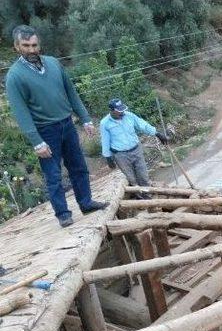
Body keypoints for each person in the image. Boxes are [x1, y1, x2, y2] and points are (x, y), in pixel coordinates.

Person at [5, 25, 107, 228]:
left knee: (79, 167)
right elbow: (21, 113)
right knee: (53, 175)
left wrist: (85, 118)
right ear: (17, 46)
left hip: (67, 124)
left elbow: (71, 92)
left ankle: (86, 203)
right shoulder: (14, 77)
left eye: (34, 45)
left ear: (39, 44)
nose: (32, 49)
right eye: (26, 45)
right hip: (45, 131)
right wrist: (37, 142)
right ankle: (63, 214)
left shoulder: (53, 63)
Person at [100, 98, 168, 194]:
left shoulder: (129, 116)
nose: (122, 112)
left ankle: (147, 196)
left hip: (136, 150)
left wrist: (157, 133)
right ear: (112, 110)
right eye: (119, 111)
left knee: (143, 176)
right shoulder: (105, 123)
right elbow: (105, 141)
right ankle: (140, 199)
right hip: (120, 155)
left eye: (123, 109)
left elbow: (143, 125)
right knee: (132, 179)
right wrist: (108, 157)